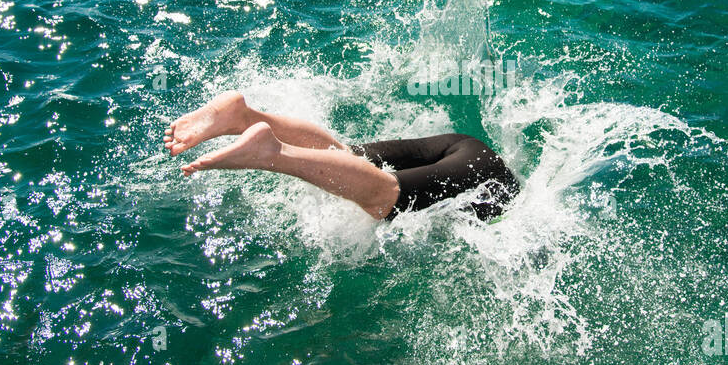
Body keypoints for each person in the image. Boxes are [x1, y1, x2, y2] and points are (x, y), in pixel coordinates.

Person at [164, 91, 519, 221]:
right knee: (385, 194)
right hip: (481, 176)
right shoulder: (521, 219)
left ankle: (244, 117)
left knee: (344, 154)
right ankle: (274, 153)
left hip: (464, 146)